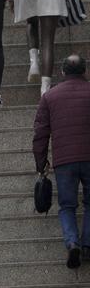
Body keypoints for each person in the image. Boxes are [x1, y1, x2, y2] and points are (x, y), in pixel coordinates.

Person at [32, 54, 90, 268]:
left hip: (64, 161)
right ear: (84, 72)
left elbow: (40, 133)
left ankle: (72, 242)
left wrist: (41, 162)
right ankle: (87, 245)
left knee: (67, 205)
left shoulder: (50, 97)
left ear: (63, 72)